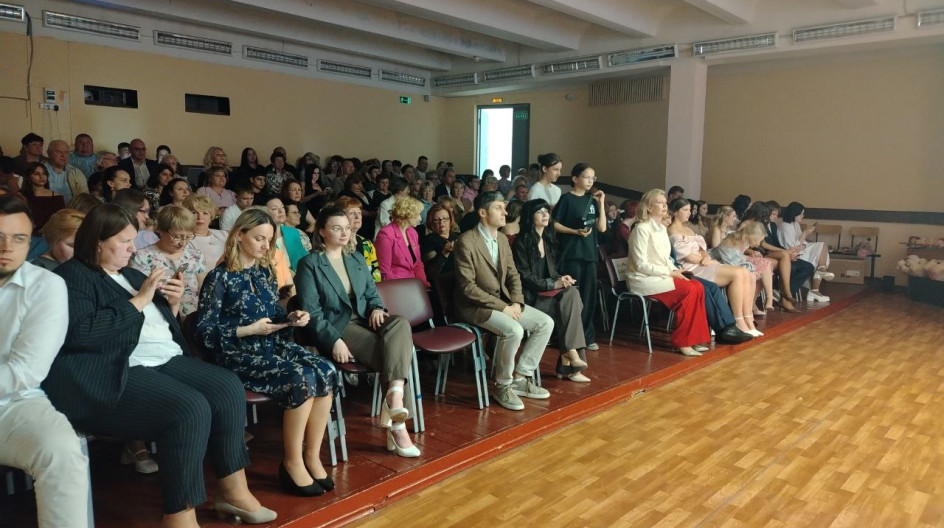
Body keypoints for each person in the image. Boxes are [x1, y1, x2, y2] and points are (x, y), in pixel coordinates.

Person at [43, 203, 276, 526]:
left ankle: (233, 492)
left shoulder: (130, 274)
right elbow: (84, 334)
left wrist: (174, 303)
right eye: (124, 241)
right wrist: (140, 299)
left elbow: (161, 324)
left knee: (227, 387)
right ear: (97, 242)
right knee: (189, 408)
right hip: (112, 369)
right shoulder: (73, 276)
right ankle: (179, 514)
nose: (132, 248)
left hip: (160, 357)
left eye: (133, 240)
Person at [196, 208, 338, 497]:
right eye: (259, 238)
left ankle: (311, 456)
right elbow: (205, 332)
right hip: (237, 353)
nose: (265, 245)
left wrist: (292, 317)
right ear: (239, 235)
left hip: (270, 344)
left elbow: (273, 314)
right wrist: (248, 330)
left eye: (269, 240)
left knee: (326, 369)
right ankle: (292, 462)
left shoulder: (264, 272)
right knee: (301, 378)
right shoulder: (219, 278)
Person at [295, 207, 420, 458]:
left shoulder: (356, 258)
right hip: (338, 325)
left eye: (346, 227)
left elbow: (372, 293)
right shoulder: (310, 264)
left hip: (365, 318)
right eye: (336, 228)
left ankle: (394, 399)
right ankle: (397, 426)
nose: (344, 232)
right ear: (322, 231)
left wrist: (376, 308)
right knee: (394, 355)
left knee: (399, 323)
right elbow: (312, 312)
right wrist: (334, 340)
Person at [0, 197, 90, 528]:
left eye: (19, 238)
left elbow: (27, 370)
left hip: (15, 403)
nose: (7, 247)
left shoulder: (46, 285)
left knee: (60, 451)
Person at [452, 191, 554, 411]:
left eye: (504, 208)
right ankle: (502, 386)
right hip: (475, 307)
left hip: (505, 303)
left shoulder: (501, 239)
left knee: (545, 323)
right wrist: (503, 307)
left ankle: (521, 377)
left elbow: (513, 275)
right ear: (482, 213)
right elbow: (468, 288)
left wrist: (516, 302)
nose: (505, 212)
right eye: (499, 208)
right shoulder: (466, 241)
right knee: (514, 330)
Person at [625, 189, 710, 357]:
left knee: (698, 286)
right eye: (660, 203)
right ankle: (683, 342)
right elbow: (640, 265)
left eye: (665, 203)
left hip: (660, 275)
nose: (665, 206)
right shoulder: (641, 229)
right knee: (688, 290)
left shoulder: (661, 229)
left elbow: (665, 259)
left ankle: (694, 338)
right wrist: (670, 273)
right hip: (643, 278)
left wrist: (675, 270)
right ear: (649, 208)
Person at [513, 199, 590, 383]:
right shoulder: (520, 242)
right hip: (531, 298)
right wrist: (554, 284)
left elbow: (552, 272)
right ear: (530, 216)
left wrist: (562, 279)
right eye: (540, 212)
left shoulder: (548, 239)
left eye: (547, 211)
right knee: (570, 304)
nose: (545, 215)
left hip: (547, 295)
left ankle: (569, 356)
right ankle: (569, 362)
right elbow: (525, 276)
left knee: (571, 295)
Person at [667, 198, 762, 337]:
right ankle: (738, 321)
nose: (689, 213)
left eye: (689, 210)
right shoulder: (671, 230)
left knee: (747, 273)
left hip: (703, 262)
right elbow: (687, 256)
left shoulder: (688, 229)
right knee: (738, 273)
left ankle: (748, 319)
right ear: (675, 212)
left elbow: (703, 249)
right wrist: (703, 259)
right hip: (690, 267)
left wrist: (706, 256)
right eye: (685, 210)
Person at [552, 163, 606, 350]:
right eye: (586, 177)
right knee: (572, 297)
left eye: (593, 178)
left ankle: (587, 336)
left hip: (589, 254)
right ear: (575, 179)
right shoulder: (566, 199)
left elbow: (602, 228)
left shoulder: (592, 200)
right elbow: (554, 224)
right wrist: (574, 231)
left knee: (589, 296)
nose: (590, 181)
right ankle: (567, 338)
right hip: (571, 253)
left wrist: (602, 203)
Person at [130, 206, 207, 318]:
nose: (183, 243)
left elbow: (205, 291)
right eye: (177, 237)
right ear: (161, 230)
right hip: (158, 318)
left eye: (188, 236)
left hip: (192, 319)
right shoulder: (142, 257)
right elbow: (139, 295)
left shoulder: (195, 256)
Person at [710, 220, 776, 315]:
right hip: (721, 263)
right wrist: (752, 265)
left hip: (736, 259)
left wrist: (751, 252)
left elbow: (739, 254)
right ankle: (751, 305)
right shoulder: (731, 240)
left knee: (766, 264)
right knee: (761, 271)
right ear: (750, 236)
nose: (758, 244)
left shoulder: (744, 240)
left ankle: (768, 299)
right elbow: (731, 262)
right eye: (757, 240)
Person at [778, 201, 833, 302]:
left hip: (800, 249)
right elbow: (792, 246)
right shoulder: (785, 226)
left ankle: (821, 270)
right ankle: (815, 287)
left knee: (822, 247)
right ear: (794, 214)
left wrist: (804, 242)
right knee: (820, 248)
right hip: (792, 253)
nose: (803, 216)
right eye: (801, 214)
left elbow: (802, 242)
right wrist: (805, 233)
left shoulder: (795, 224)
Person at [375, 196, 428, 285]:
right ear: (407, 215)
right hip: (396, 285)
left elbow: (418, 264)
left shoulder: (412, 232)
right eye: (418, 214)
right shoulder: (386, 234)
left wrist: (424, 284)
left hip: (414, 283)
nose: (420, 218)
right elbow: (384, 272)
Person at [335, 196, 381, 282]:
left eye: (359, 213)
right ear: (340, 217)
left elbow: (376, 272)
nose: (357, 217)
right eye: (352, 213)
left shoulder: (367, 243)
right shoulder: (335, 244)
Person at [20, 162, 65, 234]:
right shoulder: (21, 195)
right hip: (25, 232)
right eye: (36, 174)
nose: (41, 177)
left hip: (48, 234)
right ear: (28, 177)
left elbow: (59, 220)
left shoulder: (57, 197)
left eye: (44, 174)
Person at [185, 194, 228, 267]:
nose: (200, 217)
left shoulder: (224, 234)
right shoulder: (184, 239)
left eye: (205, 213)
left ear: (211, 216)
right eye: (194, 213)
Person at [421, 203, 458, 288]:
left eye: (445, 219)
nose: (441, 223)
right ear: (431, 222)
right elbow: (430, 272)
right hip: (442, 284)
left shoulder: (457, 237)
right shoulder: (429, 240)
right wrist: (444, 253)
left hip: (460, 280)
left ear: (450, 220)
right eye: (437, 220)